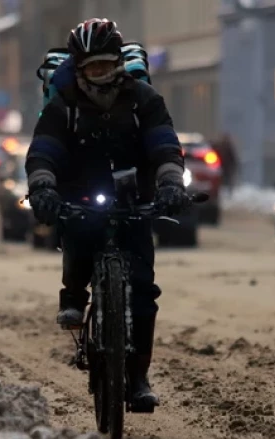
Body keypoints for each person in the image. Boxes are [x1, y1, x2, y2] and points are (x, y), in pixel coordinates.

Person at [24, 18, 191, 412]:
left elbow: (164, 145)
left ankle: (137, 377)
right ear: (79, 68)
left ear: (118, 62)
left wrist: (170, 184)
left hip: (133, 201)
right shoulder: (64, 105)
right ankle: (72, 294)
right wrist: (44, 187)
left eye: (107, 65)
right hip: (81, 196)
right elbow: (44, 150)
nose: (101, 75)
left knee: (143, 295)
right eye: (92, 67)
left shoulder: (143, 99)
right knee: (79, 239)